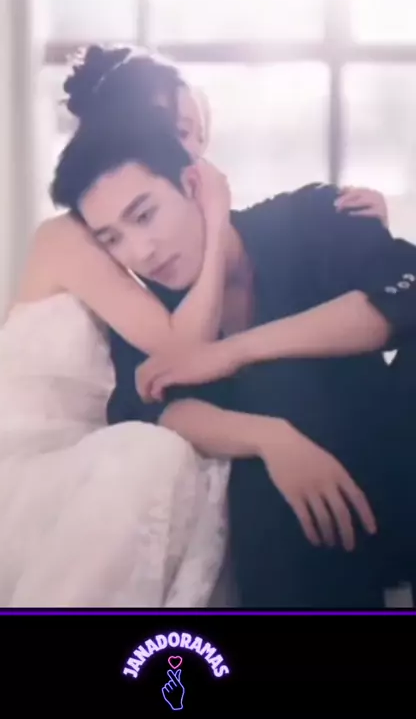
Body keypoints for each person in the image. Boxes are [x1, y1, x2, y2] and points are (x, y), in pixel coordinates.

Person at [0, 46, 391, 608]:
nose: (189, 146)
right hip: (50, 455)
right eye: (171, 131)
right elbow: (183, 352)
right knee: (159, 456)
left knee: (198, 456)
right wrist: (215, 220)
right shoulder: (75, 236)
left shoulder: (146, 224)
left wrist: (345, 221)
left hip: (112, 439)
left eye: (189, 130)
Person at [48, 98, 416, 608]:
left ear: (192, 185)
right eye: (113, 239)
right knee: (254, 451)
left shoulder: (311, 216)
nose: (141, 252)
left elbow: (400, 296)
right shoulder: (150, 308)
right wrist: (268, 438)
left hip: (387, 454)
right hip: (292, 524)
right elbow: (148, 404)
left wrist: (232, 352)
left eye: (145, 215)